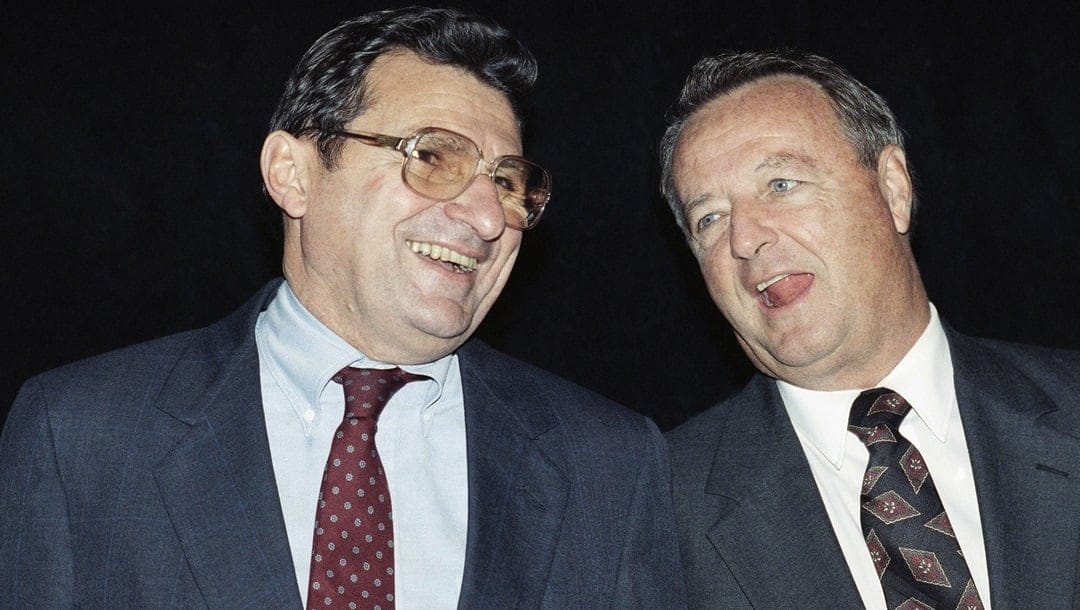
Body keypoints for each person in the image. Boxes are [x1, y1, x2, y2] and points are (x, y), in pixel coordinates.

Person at [0, 7, 685, 608]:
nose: (485, 216)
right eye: (434, 156)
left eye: (506, 182)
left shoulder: (608, 467)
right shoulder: (84, 437)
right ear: (292, 175)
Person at [660, 49, 1080, 609]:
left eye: (781, 184)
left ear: (894, 188)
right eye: (708, 218)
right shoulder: (657, 509)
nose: (743, 239)